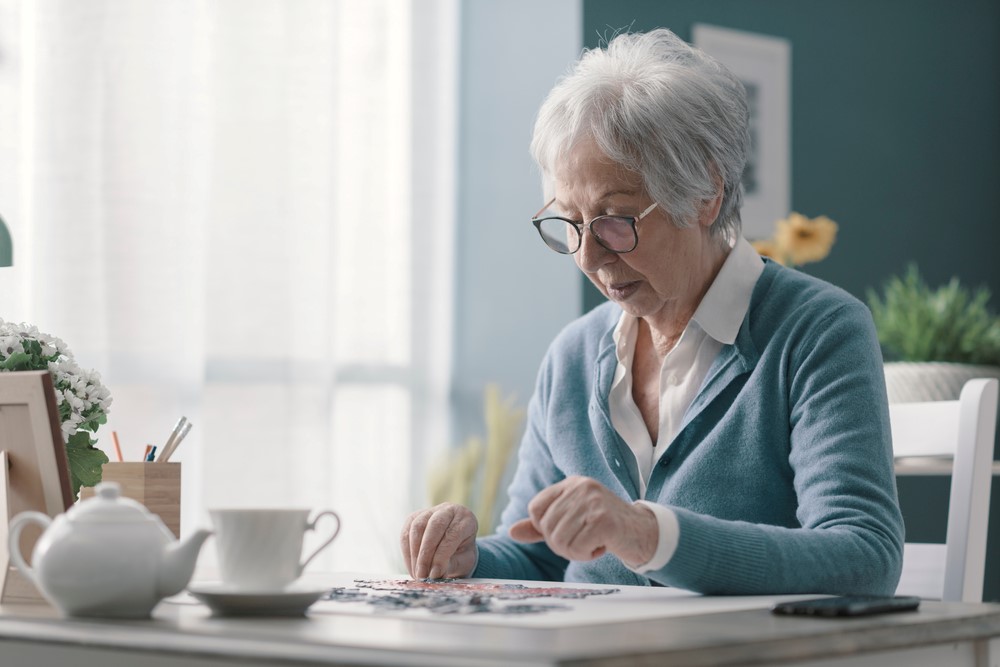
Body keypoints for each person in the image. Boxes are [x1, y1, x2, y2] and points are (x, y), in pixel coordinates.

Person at [400, 28, 903, 595]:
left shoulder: (817, 332)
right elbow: (536, 557)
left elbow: (864, 557)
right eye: (568, 222)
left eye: (616, 220)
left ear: (706, 194)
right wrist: (467, 557)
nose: (588, 256)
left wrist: (650, 535)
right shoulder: (572, 356)